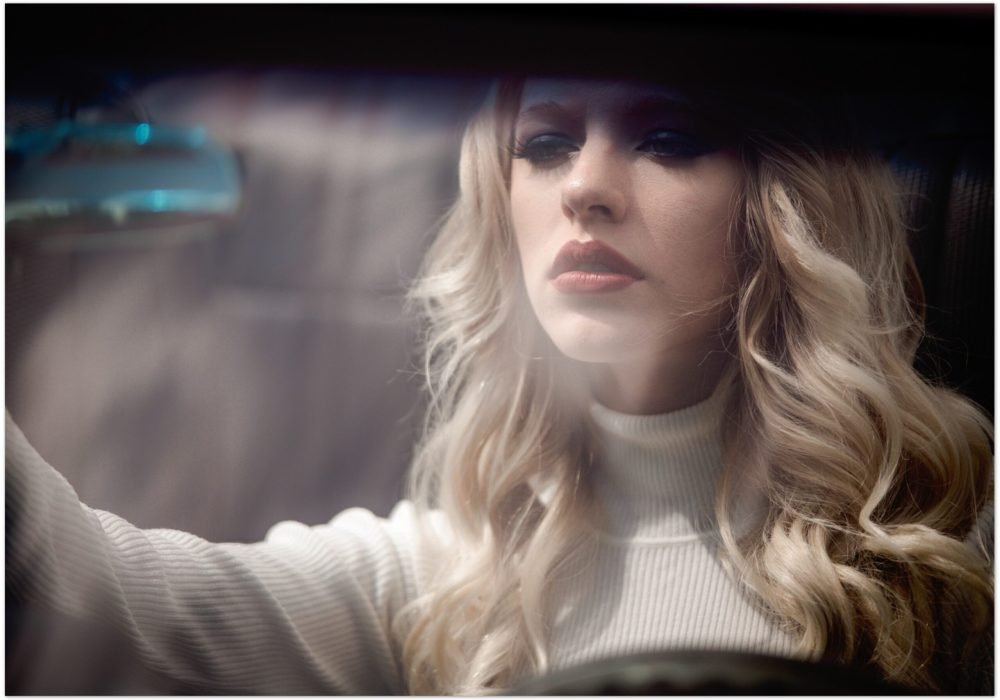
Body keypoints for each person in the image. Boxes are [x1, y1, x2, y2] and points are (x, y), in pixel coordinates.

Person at [6, 76, 993, 695]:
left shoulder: (960, 543)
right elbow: (83, 601)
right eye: (546, 143)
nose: (583, 187)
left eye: (669, 138)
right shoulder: (444, 580)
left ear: (783, 206)